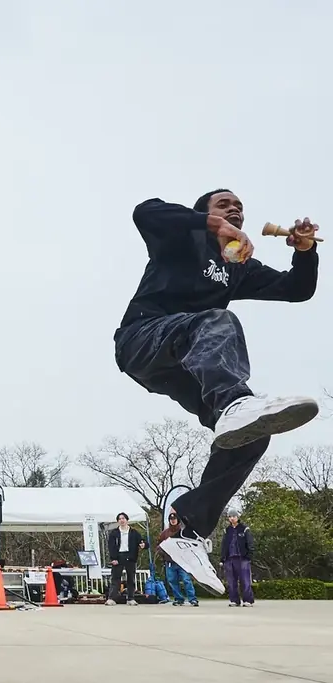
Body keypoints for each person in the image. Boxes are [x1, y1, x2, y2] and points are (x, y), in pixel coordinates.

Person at [113, 189, 319, 593]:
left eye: (239, 208)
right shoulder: (180, 235)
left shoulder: (238, 265)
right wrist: (212, 225)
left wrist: (306, 252)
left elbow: (296, 289)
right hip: (142, 339)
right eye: (224, 205)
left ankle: (189, 530)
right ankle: (233, 400)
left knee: (253, 437)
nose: (235, 210)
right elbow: (145, 211)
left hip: (180, 370)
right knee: (217, 321)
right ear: (204, 214)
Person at [105, 512, 145, 606]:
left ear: (127, 520)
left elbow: (142, 541)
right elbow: (111, 546)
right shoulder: (114, 533)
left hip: (130, 557)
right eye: (119, 519)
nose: (122, 520)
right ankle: (112, 598)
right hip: (118, 556)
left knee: (131, 578)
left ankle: (131, 598)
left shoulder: (134, 532)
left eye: (123, 518)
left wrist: (143, 545)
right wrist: (113, 558)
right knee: (115, 578)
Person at [161, 512, 198, 607]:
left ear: (178, 520)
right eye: (171, 519)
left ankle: (192, 599)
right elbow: (159, 546)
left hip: (182, 562)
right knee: (172, 581)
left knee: (186, 580)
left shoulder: (183, 532)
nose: (173, 520)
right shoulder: (165, 533)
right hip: (170, 562)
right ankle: (178, 599)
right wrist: (164, 555)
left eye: (174, 519)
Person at [220, 511, 256, 607]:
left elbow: (250, 543)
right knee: (231, 581)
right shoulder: (227, 530)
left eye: (234, 516)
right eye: (230, 517)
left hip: (242, 558)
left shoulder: (244, 529)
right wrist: (222, 558)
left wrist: (249, 555)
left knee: (245, 580)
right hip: (229, 559)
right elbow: (224, 545)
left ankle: (248, 600)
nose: (232, 518)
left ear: (238, 517)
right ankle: (234, 600)